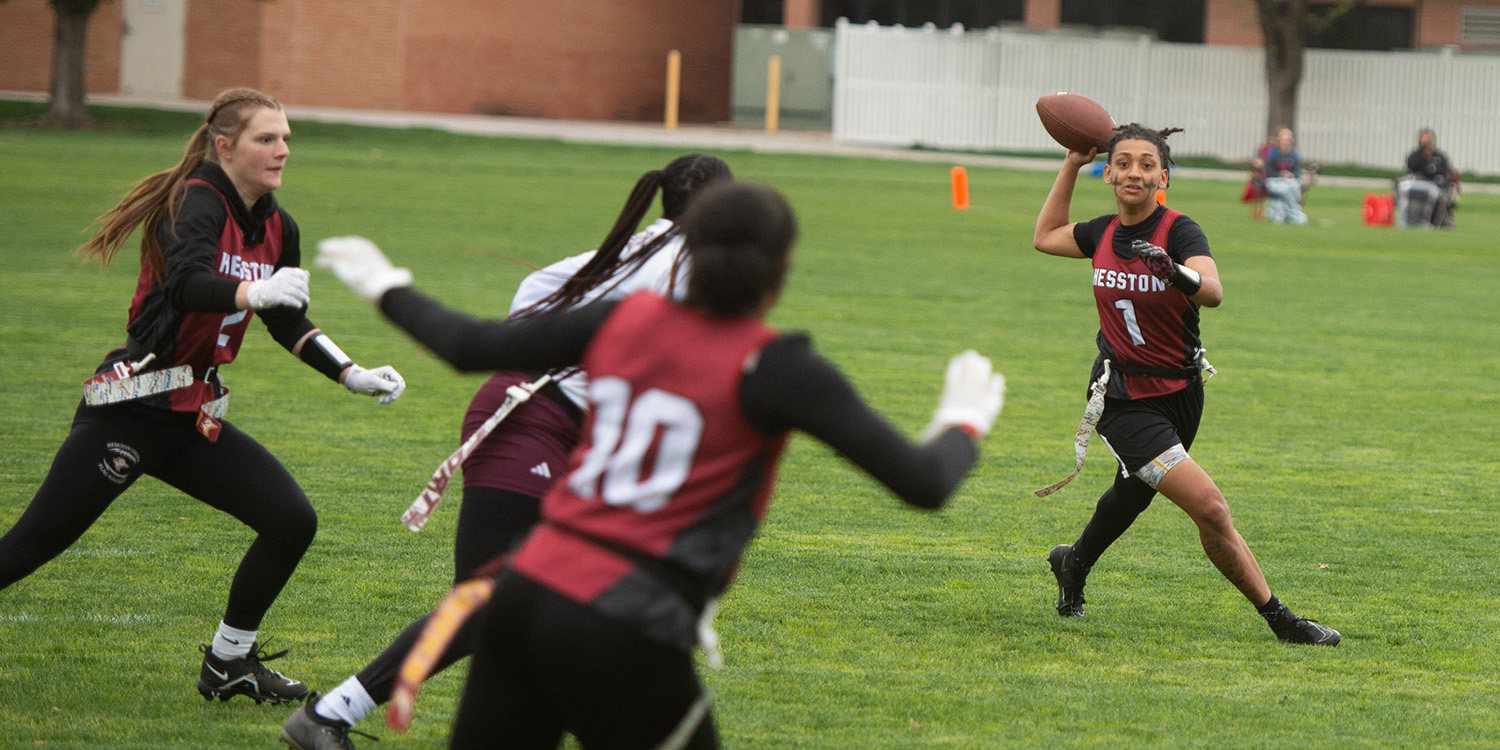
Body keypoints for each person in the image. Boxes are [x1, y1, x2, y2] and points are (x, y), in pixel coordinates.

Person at [314, 180, 1005, 749]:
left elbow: (467, 345)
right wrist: (963, 422)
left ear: (687, 250)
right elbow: (923, 483)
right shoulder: (776, 365)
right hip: (623, 615)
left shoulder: (626, 318)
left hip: (521, 592)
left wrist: (386, 285)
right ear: (782, 267)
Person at [279, 154, 733, 749]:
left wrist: (552, 346)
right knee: (489, 601)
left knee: (558, 601)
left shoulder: (646, 247)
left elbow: (535, 288)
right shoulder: (683, 264)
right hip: (532, 424)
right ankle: (328, 716)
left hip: (553, 423)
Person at [0, 88, 407, 705]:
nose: (282, 150)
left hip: (194, 416)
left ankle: (227, 665)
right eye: (266, 139)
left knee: (290, 520)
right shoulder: (195, 200)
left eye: (287, 138)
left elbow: (288, 320)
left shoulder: (277, 224)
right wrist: (251, 294)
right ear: (225, 146)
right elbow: (188, 283)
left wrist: (351, 372)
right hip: (135, 406)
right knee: (32, 544)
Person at [1031, 123, 1339, 646]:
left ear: (1163, 177)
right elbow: (1045, 236)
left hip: (1182, 393)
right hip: (1123, 399)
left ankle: (1072, 563)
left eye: (1147, 164)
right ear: (1108, 172)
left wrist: (1174, 272)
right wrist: (1069, 164)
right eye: (1123, 162)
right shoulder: (1101, 232)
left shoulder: (1178, 231)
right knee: (1211, 508)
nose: (1134, 171)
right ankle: (1281, 620)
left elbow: (1213, 292)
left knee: (1132, 494)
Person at [1395, 128, 1459, 228]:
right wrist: (1421, 153)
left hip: (1434, 186)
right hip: (1417, 185)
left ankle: (1441, 220)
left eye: (1428, 140)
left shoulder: (1439, 157)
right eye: (1423, 140)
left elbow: (1445, 173)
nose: (1426, 143)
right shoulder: (1415, 156)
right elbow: (1411, 166)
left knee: (1446, 194)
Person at [1252, 128, 1314, 226]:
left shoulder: (1294, 154)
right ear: (1279, 140)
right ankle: (1295, 211)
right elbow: (1268, 171)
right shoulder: (1273, 153)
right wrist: (1280, 174)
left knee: (1294, 186)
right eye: (1285, 139)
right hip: (1273, 180)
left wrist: (1292, 174)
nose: (1287, 141)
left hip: (1290, 180)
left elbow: (1297, 170)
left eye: (1289, 139)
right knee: (1285, 188)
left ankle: (1288, 213)